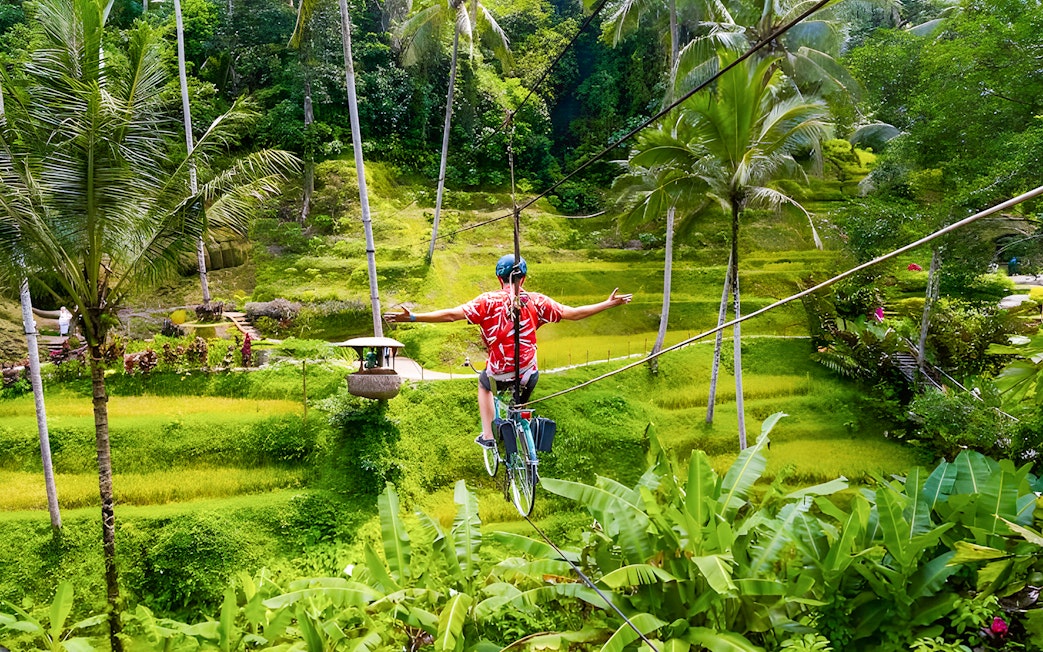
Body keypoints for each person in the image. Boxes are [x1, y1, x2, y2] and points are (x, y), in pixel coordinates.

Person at [384, 254, 632, 448]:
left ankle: (488, 435)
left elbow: (450, 315)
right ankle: (522, 424)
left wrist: (414, 317)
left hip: (500, 371)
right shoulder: (537, 301)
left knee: (483, 383)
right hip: (527, 372)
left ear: (499, 278)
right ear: (523, 279)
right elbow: (574, 314)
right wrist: (608, 303)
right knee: (523, 393)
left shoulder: (487, 301)